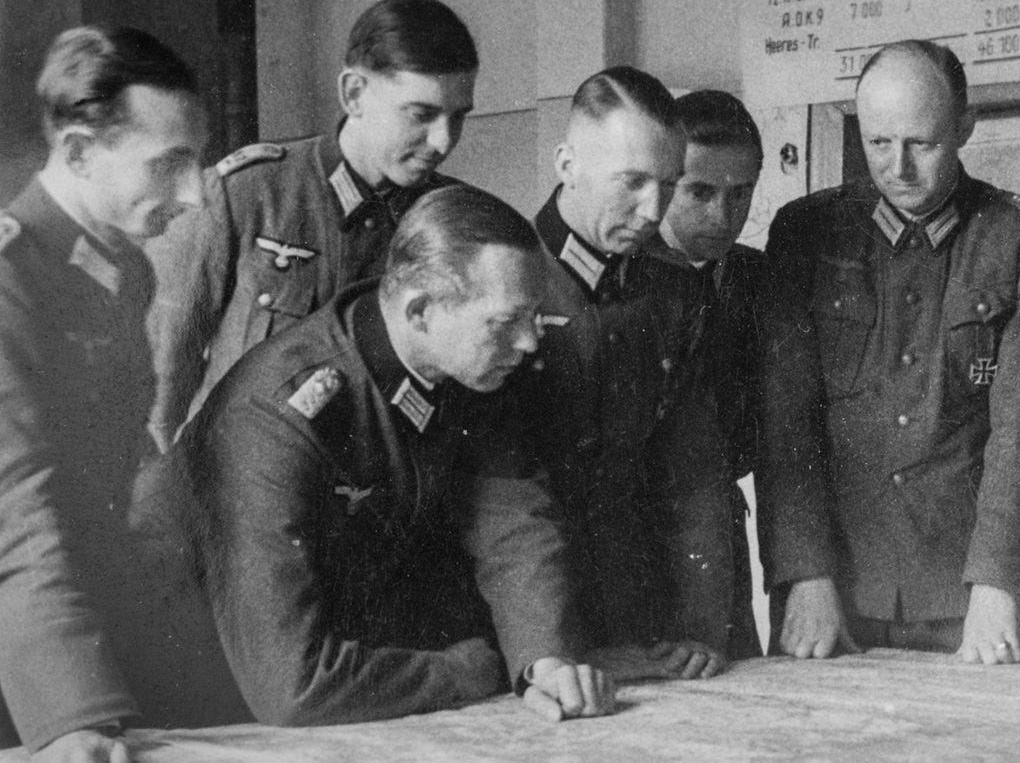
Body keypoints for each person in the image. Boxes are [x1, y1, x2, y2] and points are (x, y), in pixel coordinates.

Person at [177, 184, 613, 725]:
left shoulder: (465, 366)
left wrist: (543, 660)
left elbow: (513, 518)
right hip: (194, 697)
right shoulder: (275, 414)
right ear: (421, 310)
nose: (528, 343)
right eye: (505, 322)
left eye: (532, 318)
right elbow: (292, 685)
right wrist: (473, 671)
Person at [758, 39, 1020, 661]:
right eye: (878, 142)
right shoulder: (805, 233)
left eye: (921, 144)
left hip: (969, 595)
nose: (897, 167)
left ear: (963, 127)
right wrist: (804, 574)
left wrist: (996, 581)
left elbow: (1019, 427)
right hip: (833, 590)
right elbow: (785, 419)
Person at [0, 25, 208, 761]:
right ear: (81, 151)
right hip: (27, 659)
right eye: (168, 165)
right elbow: (19, 512)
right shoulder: (9, 280)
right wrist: (70, 718)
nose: (193, 193)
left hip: (80, 622)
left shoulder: (121, 267)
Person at [145, 0, 477, 446]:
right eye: (422, 115)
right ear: (354, 94)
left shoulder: (450, 222)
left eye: (458, 118)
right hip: (235, 488)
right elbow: (160, 382)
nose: (442, 141)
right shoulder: (247, 195)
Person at [518, 66, 735, 678]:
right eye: (632, 182)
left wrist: (700, 627)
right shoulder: (507, 274)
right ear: (567, 165)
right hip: (529, 624)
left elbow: (695, 472)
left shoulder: (673, 293)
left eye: (667, 185)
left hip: (643, 617)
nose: (651, 210)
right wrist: (545, 653)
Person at [650, 89, 766, 660]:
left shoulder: (759, 280)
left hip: (721, 546)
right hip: (637, 554)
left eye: (740, 194)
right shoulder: (625, 276)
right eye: (699, 192)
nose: (723, 217)